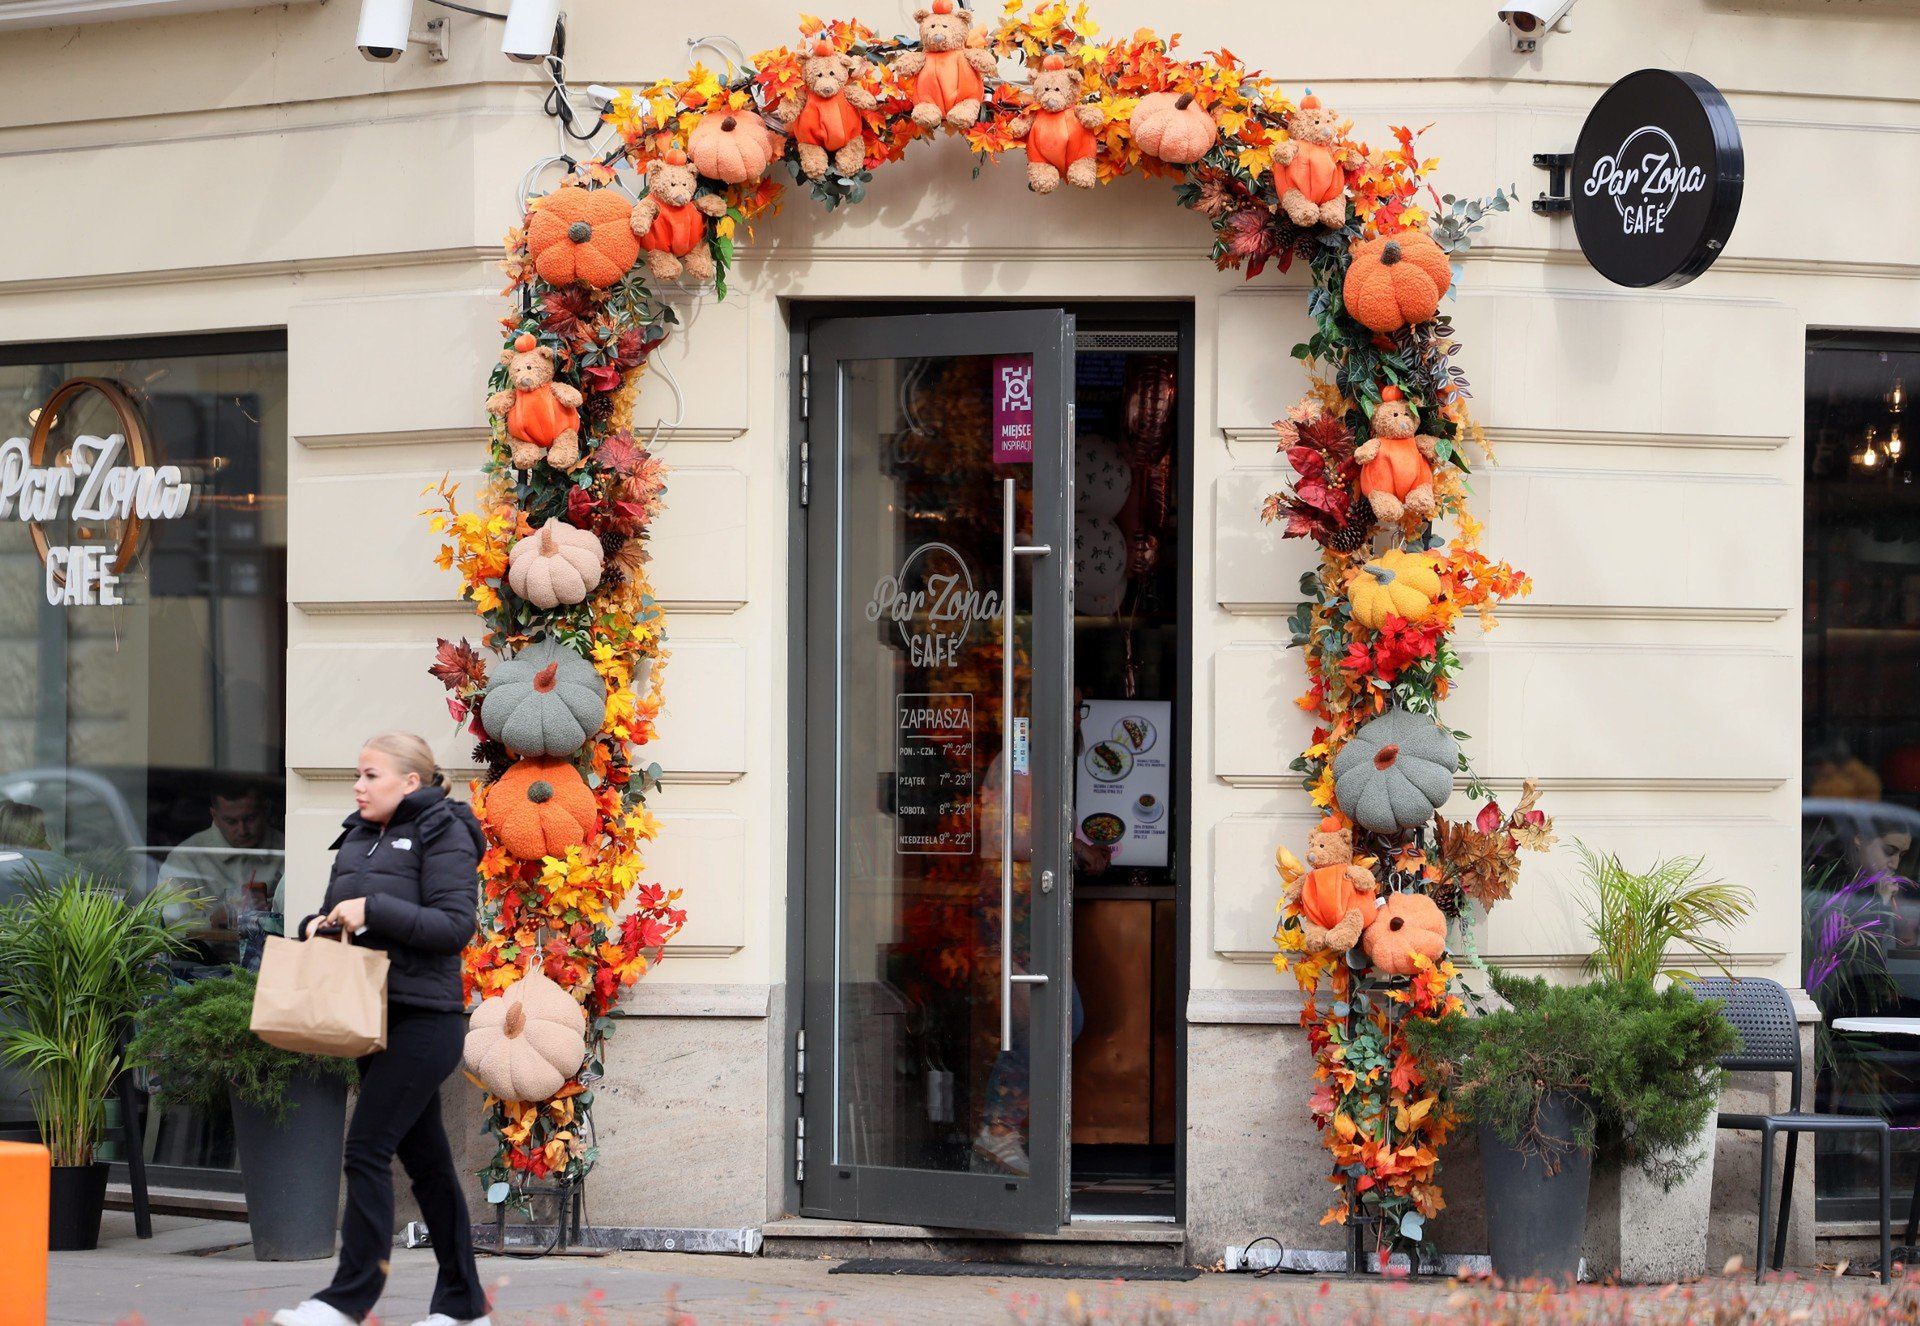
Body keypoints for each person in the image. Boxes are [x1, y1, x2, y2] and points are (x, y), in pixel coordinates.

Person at [272, 733, 490, 1326]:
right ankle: (464, 1308)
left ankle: (345, 1301)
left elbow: (453, 926)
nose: (358, 786)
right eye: (357, 775)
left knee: (367, 1148)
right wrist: (316, 924)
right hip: (370, 1015)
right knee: (430, 1167)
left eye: (371, 775)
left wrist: (374, 910)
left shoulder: (444, 830)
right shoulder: (358, 835)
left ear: (410, 782)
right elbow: (339, 915)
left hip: (424, 1020)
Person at [159, 784, 286, 965]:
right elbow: (171, 929)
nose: (242, 830)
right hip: (204, 966)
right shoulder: (185, 858)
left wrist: (273, 911)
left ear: (265, 810)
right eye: (231, 821)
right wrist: (212, 922)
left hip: (275, 962)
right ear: (215, 816)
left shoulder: (287, 849)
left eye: (250, 818)